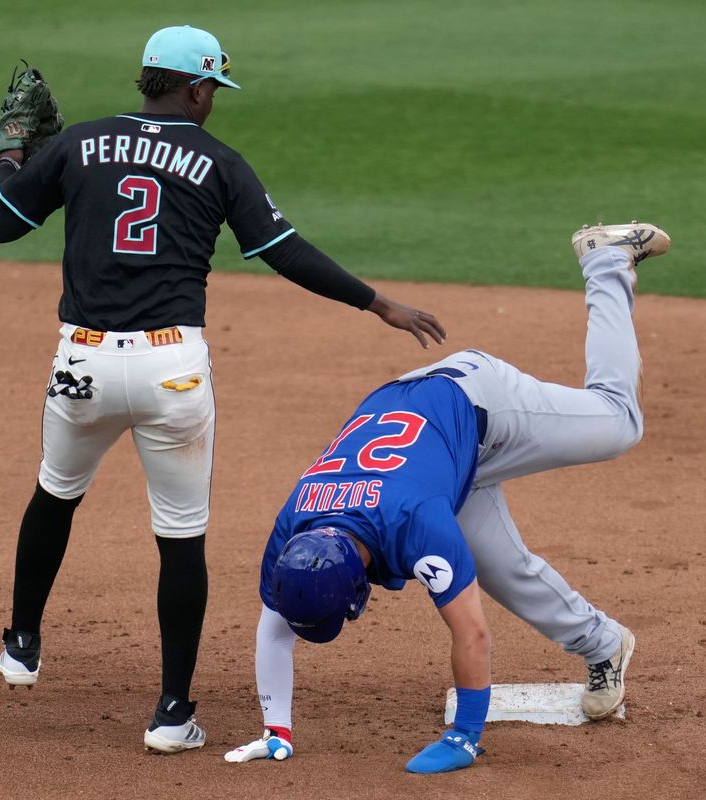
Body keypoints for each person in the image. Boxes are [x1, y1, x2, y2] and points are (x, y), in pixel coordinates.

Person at [0, 25, 446, 754]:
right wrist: (375, 302)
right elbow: (281, 250)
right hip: (173, 371)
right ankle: (171, 714)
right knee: (180, 537)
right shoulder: (218, 161)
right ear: (194, 87)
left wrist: (14, 157)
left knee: (56, 492)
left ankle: (21, 642)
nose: (213, 104)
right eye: (212, 91)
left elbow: (1, 223)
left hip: (84, 364)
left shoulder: (80, 144)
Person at [223, 221, 671, 773]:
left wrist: (464, 739)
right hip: (425, 443)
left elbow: (471, 631)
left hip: (477, 402)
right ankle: (602, 644)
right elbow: (275, 625)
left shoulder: (417, 523)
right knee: (500, 568)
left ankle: (606, 260)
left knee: (619, 423)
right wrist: (276, 729)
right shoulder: (295, 530)